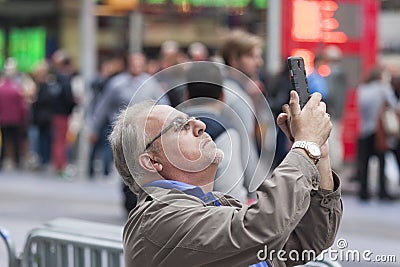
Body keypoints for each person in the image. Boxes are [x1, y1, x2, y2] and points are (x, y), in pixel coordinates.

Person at [109, 90, 342, 266]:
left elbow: (305, 239)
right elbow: (264, 227)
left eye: (193, 119)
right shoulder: (158, 218)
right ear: (151, 161)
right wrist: (304, 147)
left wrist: (319, 154)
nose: (200, 124)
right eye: (180, 126)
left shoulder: (215, 204)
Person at [90, 51, 170, 214]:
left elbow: (164, 104)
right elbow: (103, 106)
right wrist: (93, 128)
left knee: (142, 167)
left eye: (140, 63)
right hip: (123, 132)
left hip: (145, 134)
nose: (137, 67)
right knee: (126, 166)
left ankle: (139, 199)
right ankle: (128, 198)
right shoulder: (116, 84)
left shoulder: (150, 84)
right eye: (134, 63)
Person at [182, 62, 248, 203]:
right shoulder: (224, 131)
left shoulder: (170, 127)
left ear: (186, 96)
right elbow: (231, 193)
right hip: (211, 220)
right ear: (223, 96)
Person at [356, 66, 396, 201]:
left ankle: (363, 192)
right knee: (381, 161)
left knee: (364, 162)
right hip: (378, 131)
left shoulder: (362, 89)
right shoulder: (383, 88)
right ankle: (382, 191)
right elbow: (394, 105)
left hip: (363, 129)